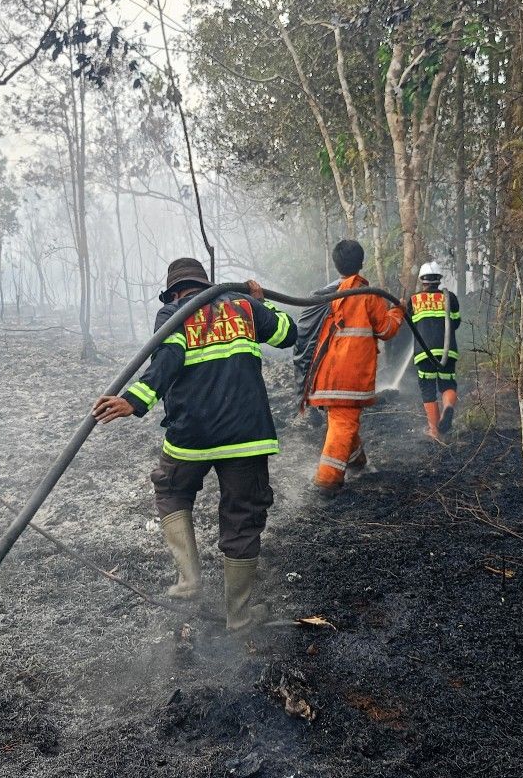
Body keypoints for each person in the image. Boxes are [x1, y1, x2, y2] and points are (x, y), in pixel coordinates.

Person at [92, 258, 296, 632]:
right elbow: (288, 334)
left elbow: (167, 360)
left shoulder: (173, 313)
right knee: (242, 519)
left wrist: (133, 401)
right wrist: (261, 300)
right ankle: (239, 617)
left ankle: (189, 580)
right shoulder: (244, 307)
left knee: (171, 488)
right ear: (207, 285)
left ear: (174, 292)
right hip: (247, 436)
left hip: (192, 435)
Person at [303, 239, 404, 494]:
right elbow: (386, 330)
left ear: (337, 265)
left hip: (327, 372)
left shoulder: (329, 295)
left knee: (343, 419)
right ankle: (326, 480)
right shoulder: (367, 296)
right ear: (361, 263)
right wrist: (398, 311)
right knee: (343, 424)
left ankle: (358, 461)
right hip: (350, 377)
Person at [407, 261, 461, 439]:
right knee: (447, 384)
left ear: (422, 280)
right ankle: (448, 408)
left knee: (428, 389)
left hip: (424, 353)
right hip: (448, 351)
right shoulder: (450, 297)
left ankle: (435, 431)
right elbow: (456, 323)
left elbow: (411, 324)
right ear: (439, 279)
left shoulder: (413, 300)